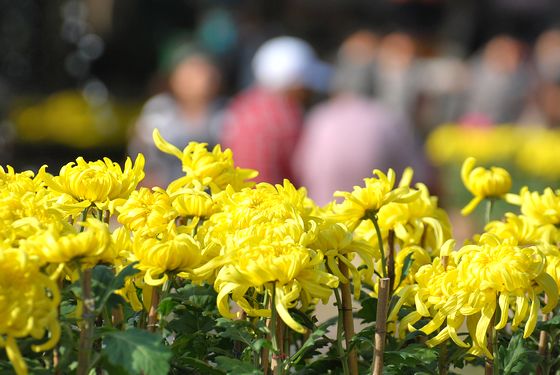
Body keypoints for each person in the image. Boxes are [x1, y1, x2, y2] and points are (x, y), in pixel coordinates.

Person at [292, 31, 429, 206]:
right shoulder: (388, 120)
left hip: (322, 221)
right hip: (374, 226)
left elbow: (300, 169)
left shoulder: (318, 118)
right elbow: (418, 179)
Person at [220, 36, 330, 184]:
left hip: (237, 200)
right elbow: (301, 172)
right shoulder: (286, 116)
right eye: (306, 86)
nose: (309, 92)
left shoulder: (242, 105)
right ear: (296, 84)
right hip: (273, 201)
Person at [129, 43, 224, 187]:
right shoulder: (159, 110)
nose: (201, 80)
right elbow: (143, 160)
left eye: (204, 71)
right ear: (173, 78)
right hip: (165, 196)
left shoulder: (226, 113)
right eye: (191, 73)